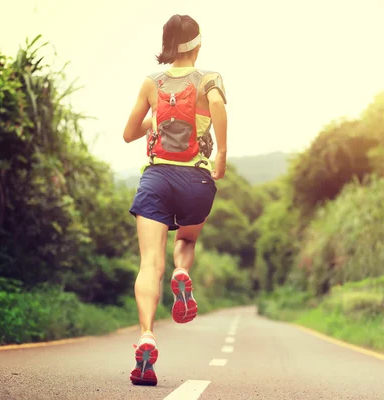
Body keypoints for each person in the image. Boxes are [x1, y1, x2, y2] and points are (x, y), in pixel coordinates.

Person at [122, 13, 227, 386]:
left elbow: (128, 133)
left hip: (156, 178)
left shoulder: (152, 83)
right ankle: (183, 273)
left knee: (150, 263)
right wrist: (222, 154)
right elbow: (217, 105)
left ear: (168, 45)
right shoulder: (209, 78)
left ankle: (147, 335)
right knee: (185, 239)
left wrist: (156, 119)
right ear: (198, 44)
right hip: (196, 179)